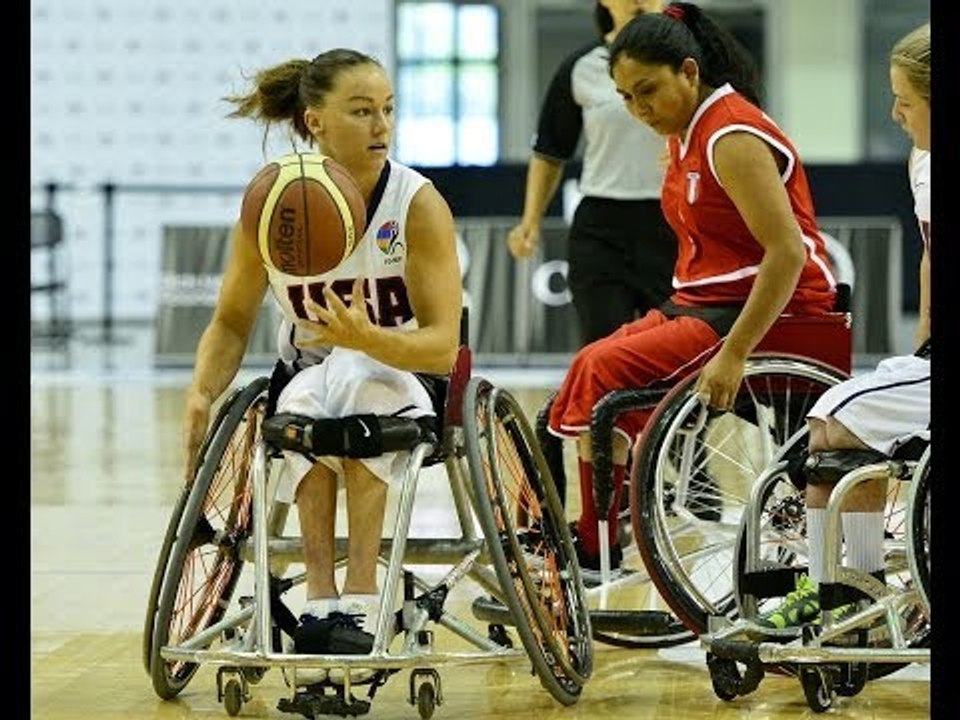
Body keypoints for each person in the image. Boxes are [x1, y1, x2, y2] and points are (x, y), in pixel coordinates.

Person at [181, 49, 462, 671]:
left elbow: (445, 345)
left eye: (388, 109)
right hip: (310, 375)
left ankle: (362, 594)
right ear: (315, 121)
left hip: (409, 376)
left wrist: (370, 340)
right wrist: (201, 390)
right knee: (308, 396)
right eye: (362, 111)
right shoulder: (272, 206)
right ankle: (320, 597)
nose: (381, 126)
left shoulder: (415, 203)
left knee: (357, 376)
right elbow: (231, 321)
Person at [546, 2, 839, 575]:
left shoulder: (731, 135)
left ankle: (596, 542)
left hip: (776, 308)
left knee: (603, 369)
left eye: (647, 91)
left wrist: (734, 355)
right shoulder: (686, 132)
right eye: (626, 97)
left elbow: (786, 253)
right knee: (590, 367)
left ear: (688, 71)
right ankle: (597, 533)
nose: (639, 110)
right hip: (708, 300)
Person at [757, 22, 931, 629]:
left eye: (905, 102)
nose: (895, 114)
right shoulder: (921, 161)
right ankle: (849, 583)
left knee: (836, 414)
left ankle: (844, 584)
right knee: (834, 428)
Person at [507, 0, 677, 346]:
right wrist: (530, 220)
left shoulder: (692, 63)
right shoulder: (580, 67)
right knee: (603, 347)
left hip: (673, 222)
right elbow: (550, 151)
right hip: (602, 226)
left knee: (671, 346)